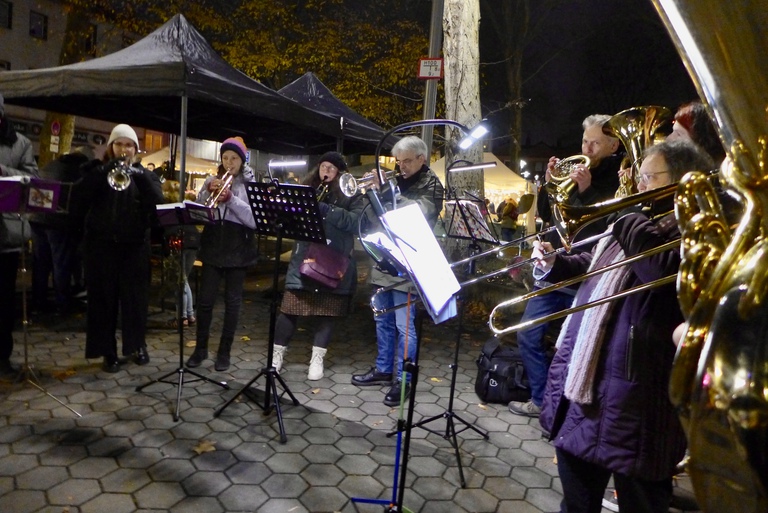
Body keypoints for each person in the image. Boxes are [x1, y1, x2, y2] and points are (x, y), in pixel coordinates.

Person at [534, 140, 713, 513]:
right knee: (576, 504)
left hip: (637, 403)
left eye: (649, 177)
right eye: (641, 176)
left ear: (682, 180)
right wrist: (554, 264)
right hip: (586, 388)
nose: (641, 184)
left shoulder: (698, 229)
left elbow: (658, 268)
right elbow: (597, 266)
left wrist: (627, 211)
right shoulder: (640, 222)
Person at [509, 114, 622, 417]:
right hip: (554, 265)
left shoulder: (620, 177)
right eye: (585, 140)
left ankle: (563, 409)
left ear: (613, 146)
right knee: (527, 334)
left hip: (586, 273)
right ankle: (540, 399)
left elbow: (609, 224)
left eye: (594, 142)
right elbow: (550, 213)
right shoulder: (575, 168)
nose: (587, 147)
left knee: (573, 346)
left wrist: (586, 191)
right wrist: (549, 183)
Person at [351, 136, 444, 406]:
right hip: (384, 258)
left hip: (409, 264)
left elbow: (416, 213)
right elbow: (373, 218)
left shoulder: (432, 186)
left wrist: (386, 189)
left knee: (405, 327)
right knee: (382, 319)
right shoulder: (392, 182)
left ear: (421, 159)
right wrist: (371, 192)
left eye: (406, 161)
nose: (401, 166)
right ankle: (383, 369)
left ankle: (405, 381)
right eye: (398, 161)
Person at [75, 124, 164, 373]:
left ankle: (138, 345)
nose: (124, 149)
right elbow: (79, 196)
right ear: (111, 147)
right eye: (119, 144)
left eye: (129, 145)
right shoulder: (96, 170)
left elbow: (157, 202)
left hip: (134, 247)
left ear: (136, 149)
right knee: (103, 301)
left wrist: (141, 175)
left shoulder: (145, 175)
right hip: (101, 247)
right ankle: (108, 350)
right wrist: (104, 171)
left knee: (135, 301)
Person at [271, 152, 364, 380]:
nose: (326, 172)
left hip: (333, 261)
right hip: (304, 258)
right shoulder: (308, 189)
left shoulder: (351, 194)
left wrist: (328, 210)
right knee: (290, 307)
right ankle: (276, 355)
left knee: (327, 311)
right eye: (323, 167)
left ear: (340, 173)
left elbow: (357, 222)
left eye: (332, 169)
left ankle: (317, 359)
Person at [186, 137, 261, 372]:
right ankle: (200, 349)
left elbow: (253, 221)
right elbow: (199, 212)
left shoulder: (249, 184)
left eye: (234, 158)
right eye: (225, 158)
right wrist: (204, 195)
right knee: (206, 301)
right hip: (212, 245)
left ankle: (224, 352)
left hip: (238, 246)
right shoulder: (212, 180)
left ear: (242, 160)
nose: (229, 163)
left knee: (232, 303)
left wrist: (232, 199)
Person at [0, 92, 40, 376]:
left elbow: (32, 180)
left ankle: (2, 356)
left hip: (6, 233)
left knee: (3, 301)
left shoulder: (20, 143)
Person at [30, 148, 92, 315]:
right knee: (61, 264)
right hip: (58, 221)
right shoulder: (80, 170)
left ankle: (38, 303)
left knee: (41, 264)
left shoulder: (52, 164)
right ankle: (62, 304)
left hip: (36, 218)